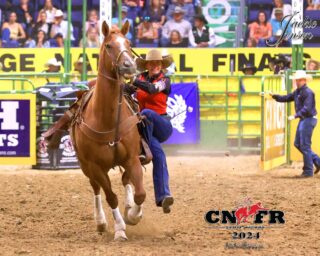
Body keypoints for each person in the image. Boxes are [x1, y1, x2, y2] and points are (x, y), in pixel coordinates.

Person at [131, 49, 175, 213]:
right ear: (147, 65)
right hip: (146, 128)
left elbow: (151, 89)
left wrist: (134, 81)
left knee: (146, 113)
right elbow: (128, 91)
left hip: (162, 124)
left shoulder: (165, 81)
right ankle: (164, 197)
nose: (155, 65)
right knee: (158, 155)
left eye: (158, 63)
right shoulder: (140, 79)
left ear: (162, 65)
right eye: (152, 63)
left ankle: (143, 148)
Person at [270, 70, 320, 178]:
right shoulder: (298, 92)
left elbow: (307, 108)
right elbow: (287, 98)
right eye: (296, 80)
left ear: (304, 80)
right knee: (298, 144)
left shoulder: (308, 92)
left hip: (308, 119)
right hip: (305, 119)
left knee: (304, 145)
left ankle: (308, 171)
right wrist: (275, 96)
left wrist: (295, 116)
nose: (297, 82)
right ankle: (317, 162)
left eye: (298, 80)